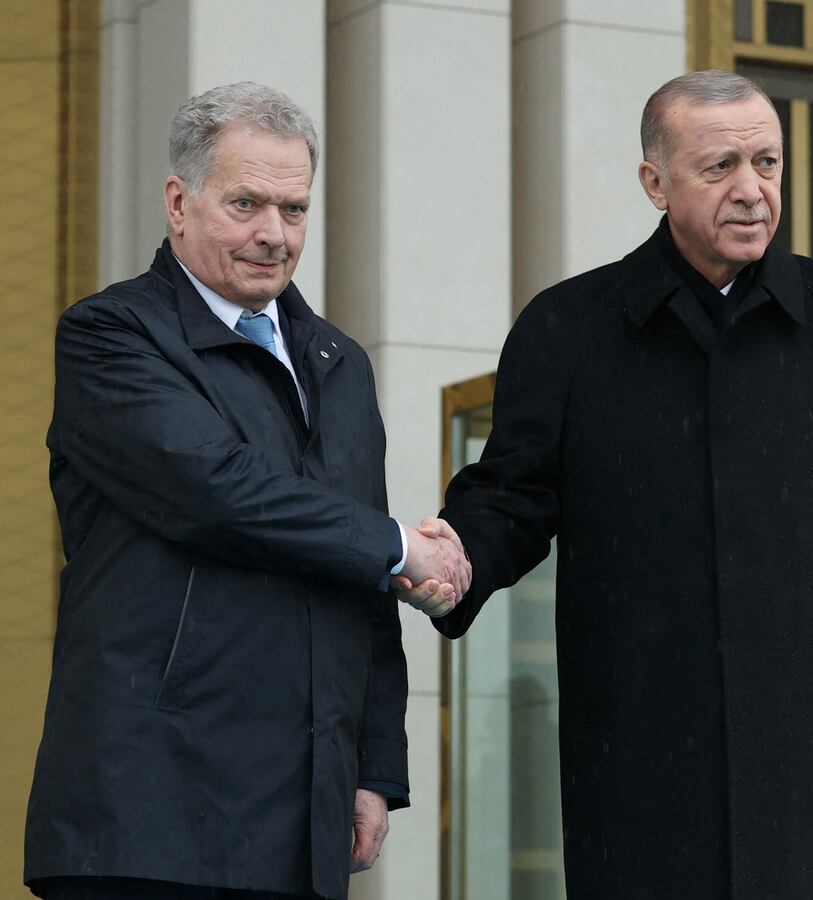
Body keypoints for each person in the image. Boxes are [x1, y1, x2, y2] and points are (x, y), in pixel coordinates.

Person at [395, 69, 813, 898]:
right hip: (640, 736)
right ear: (655, 182)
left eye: (767, 162)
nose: (753, 190)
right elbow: (511, 492)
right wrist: (456, 554)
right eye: (720, 167)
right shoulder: (568, 328)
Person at [24, 82, 470, 900]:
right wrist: (402, 547)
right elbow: (215, 491)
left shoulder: (339, 363)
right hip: (146, 818)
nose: (273, 234)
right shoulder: (109, 335)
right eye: (245, 204)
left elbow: (353, 566)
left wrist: (373, 768)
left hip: (302, 817)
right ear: (178, 203)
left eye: (294, 210)